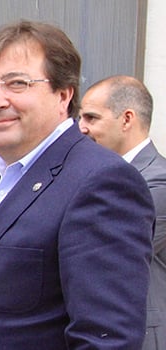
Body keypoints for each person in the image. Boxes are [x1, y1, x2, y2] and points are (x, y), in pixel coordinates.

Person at [0, 21, 155, 349]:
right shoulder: (4, 173)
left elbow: (106, 340)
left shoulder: (101, 183)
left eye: (17, 83)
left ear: (64, 95)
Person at [79, 75, 166, 349]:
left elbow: (104, 252)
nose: (80, 128)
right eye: (80, 118)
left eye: (91, 118)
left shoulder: (158, 182)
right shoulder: (97, 174)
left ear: (127, 119)